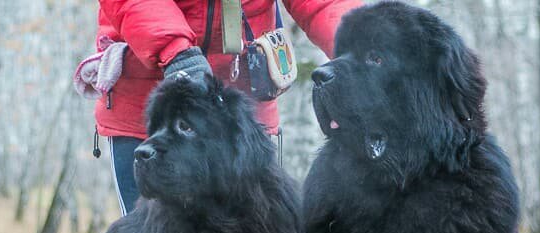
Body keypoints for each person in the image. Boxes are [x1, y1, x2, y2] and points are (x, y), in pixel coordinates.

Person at [91, 0, 362, 215]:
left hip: (245, 116)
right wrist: (177, 53)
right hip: (153, 116)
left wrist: (361, 46)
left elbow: (325, 3)